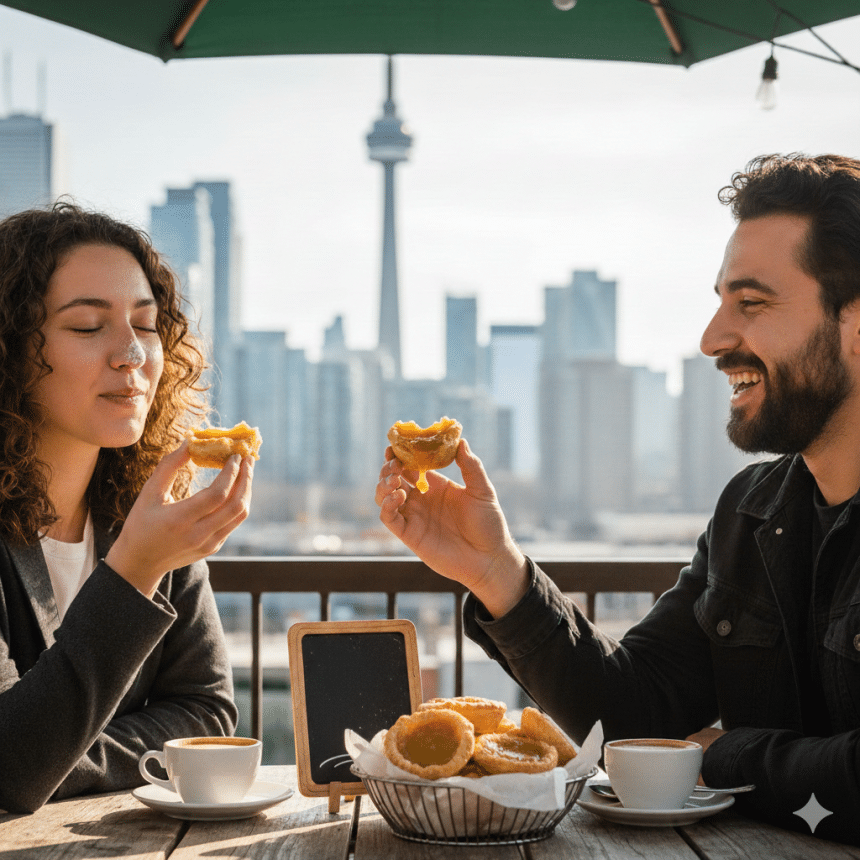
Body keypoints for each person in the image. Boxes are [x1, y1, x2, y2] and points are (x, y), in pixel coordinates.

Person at [376, 153, 860, 845]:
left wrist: (721, 754)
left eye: (751, 303)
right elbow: (636, 719)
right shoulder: (752, 512)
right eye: (721, 301)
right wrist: (498, 574)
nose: (712, 338)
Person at [0, 203, 253, 813]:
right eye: (88, 327)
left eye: (145, 325)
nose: (132, 355)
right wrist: (133, 573)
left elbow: (209, 719)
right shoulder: (150, 542)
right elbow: (9, 768)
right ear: (9, 351)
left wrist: (63, 759)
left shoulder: (147, 514)